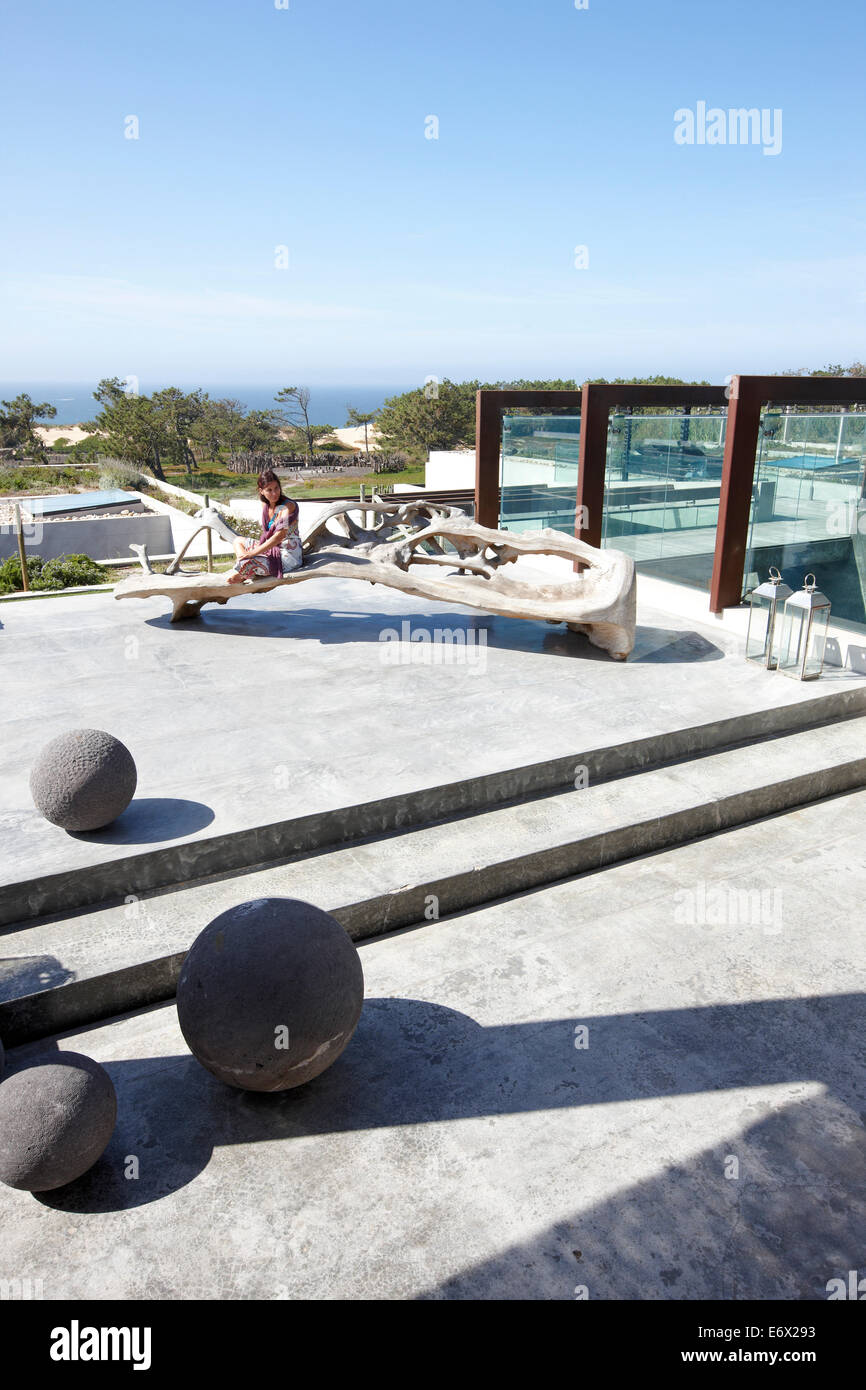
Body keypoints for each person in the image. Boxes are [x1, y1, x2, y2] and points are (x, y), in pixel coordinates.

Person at [226, 469, 303, 585]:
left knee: (247, 561)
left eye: (277, 488)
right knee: (238, 541)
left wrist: (252, 553)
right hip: (271, 549)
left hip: (288, 557)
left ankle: (245, 572)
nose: (274, 493)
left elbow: (279, 536)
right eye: (269, 490)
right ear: (261, 491)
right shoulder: (266, 505)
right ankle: (246, 570)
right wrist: (248, 555)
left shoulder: (287, 507)